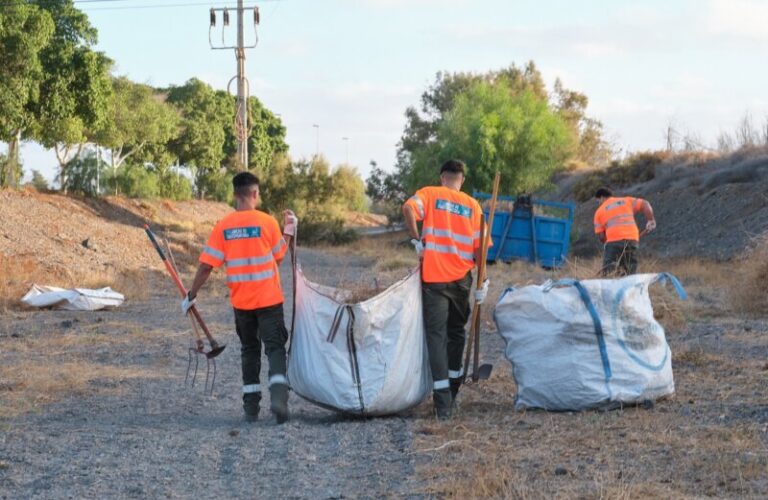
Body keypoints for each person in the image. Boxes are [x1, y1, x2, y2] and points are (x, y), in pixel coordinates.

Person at [182, 172, 298, 424]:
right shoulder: (267, 222)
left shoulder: (223, 226)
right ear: (255, 194)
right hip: (269, 300)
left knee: (249, 351)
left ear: (235, 194)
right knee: (275, 348)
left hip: (242, 303)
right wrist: (288, 230)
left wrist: (191, 295)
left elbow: (205, 267)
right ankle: (278, 397)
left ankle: (250, 408)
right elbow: (278, 256)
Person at [402, 159, 489, 420]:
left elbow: (408, 208)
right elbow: (481, 247)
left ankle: (442, 406)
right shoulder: (473, 206)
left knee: (436, 336)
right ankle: (452, 391)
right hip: (463, 279)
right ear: (461, 180)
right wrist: (483, 279)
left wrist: (416, 240)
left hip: (435, 278)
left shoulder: (429, 194)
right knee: (456, 334)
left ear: (443, 177)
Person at [593, 187, 656, 276]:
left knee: (608, 271)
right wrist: (651, 220)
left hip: (613, 242)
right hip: (632, 240)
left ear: (602, 197)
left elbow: (601, 236)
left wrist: (607, 245)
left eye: (598, 201)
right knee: (629, 270)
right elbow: (645, 204)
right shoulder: (626, 200)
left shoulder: (599, 212)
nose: (599, 203)